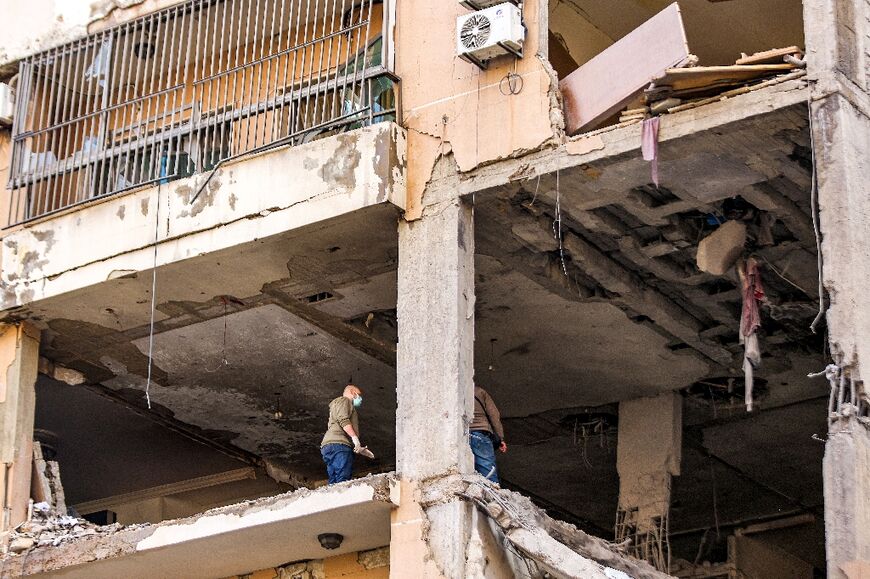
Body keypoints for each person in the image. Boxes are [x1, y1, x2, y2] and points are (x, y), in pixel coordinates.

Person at [320, 384, 372, 484]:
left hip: (329, 445)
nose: (360, 398)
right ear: (353, 392)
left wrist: (359, 448)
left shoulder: (336, 405)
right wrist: (355, 439)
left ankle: (334, 494)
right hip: (339, 445)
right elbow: (343, 420)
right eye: (359, 394)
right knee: (343, 478)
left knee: (334, 480)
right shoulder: (345, 401)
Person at [470, 385, 507, 484]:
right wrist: (500, 438)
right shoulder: (479, 392)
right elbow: (494, 415)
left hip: (461, 436)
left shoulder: (450, 391)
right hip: (480, 434)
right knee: (488, 471)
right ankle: (492, 491)